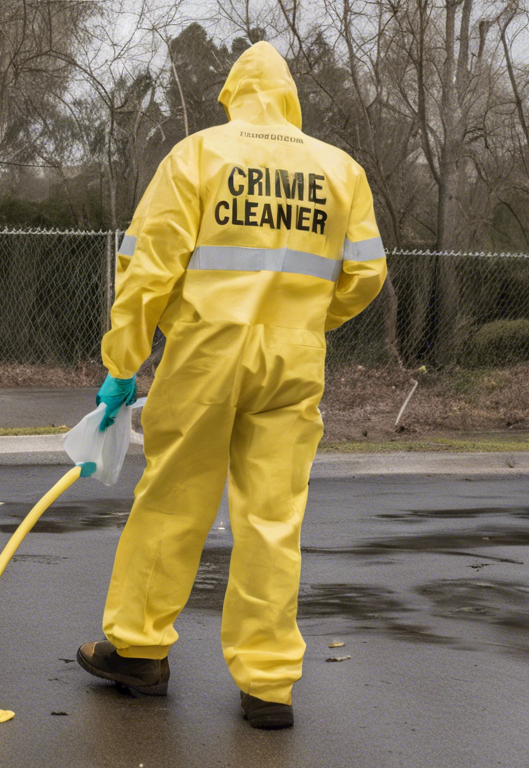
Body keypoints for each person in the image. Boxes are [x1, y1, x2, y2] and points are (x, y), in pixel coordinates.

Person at [75, 41, 387, 730]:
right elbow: (366, 274)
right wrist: (305, 320)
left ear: (234, 94)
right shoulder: (339, 170)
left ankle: (137, 650)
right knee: (273, 522)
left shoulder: (198, 156)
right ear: (289, 96)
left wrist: (123, 364)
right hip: (292, 358)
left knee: (172, 504)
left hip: (207, 350)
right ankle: (269, 686)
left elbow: (147, 272)